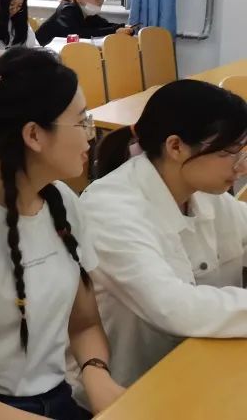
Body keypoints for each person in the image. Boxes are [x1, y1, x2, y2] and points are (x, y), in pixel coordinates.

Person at [0, 49, 124, 420]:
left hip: (52, 397)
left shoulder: (62, 201)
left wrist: (96, 374)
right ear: (34, 135)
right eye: (81, 122)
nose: (90, 136)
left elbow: (85, 324)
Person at [80, 80, 247, 391]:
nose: (241, 167)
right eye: (230, 152)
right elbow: (173, 307)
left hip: (196, 365)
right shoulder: (110, 208)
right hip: (130, 389)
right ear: (176, 147)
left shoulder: (203, 190)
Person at [35, 0, 135, 46]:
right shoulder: (67, 11)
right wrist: (114, 31)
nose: (100, 0)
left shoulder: (88, 13)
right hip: (42, 57)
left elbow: (104, 25)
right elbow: (78, 34)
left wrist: (123, 27)